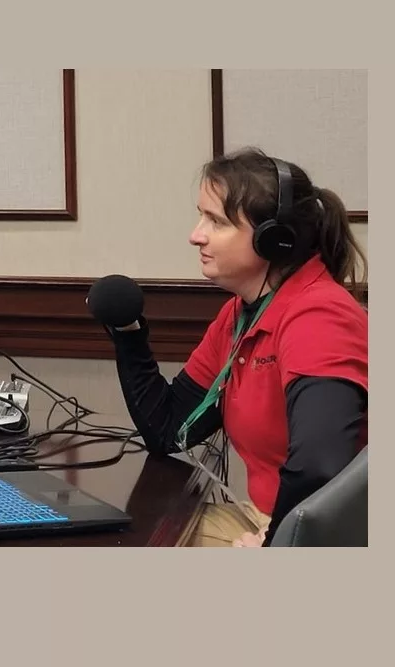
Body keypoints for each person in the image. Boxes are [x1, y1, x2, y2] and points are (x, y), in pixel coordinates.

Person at [105, 147, 367, 547]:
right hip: (274, 518)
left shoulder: (319, 316)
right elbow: (168, 428)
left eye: (216, 221)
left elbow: (320, 463)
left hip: (334, 536)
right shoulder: (242, 314)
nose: (196, 235)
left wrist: (276, 539)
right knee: (127, 532)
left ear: (273, 241)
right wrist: (128, 331)